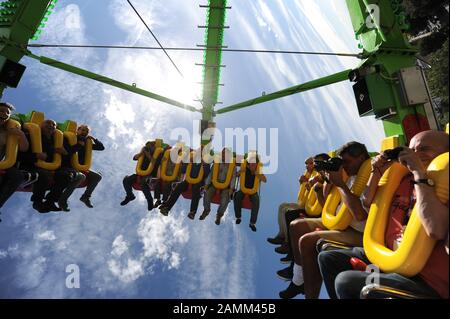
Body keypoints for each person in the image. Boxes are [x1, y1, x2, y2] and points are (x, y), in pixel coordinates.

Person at [318, 130, 449, 299]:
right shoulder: (402, 178)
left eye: (423, 149)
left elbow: (436, 229)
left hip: (421, 277)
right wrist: (377, 172)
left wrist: (419, 173)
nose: (414, 154)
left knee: (346, 281)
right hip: (386, 255)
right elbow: (367, 202)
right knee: (328, 259)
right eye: (411, 149)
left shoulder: (439, 181)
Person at [278, 141, 370, 299]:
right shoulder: (349, 177)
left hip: (358, 231)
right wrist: (329, 180)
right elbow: (327, 205)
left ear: (361, 157)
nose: (345, 166)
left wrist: (340, 184)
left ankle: (308, 293)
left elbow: (360, 215)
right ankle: (298, 280)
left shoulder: (369, 176)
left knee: (307, 240)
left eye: (347, 161)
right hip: (339, 222)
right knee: (296, 226)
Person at [18, 119, 67, 213]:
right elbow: (18, 155)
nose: (51, 125)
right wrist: (35, 156)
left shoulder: (55, 143)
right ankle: (37, 202)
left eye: (54, 124)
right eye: (48, 123)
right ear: (40, 125)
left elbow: (62, 160)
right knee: (44, 175)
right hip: (29, 166)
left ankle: (50, 201)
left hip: (49, 168)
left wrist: (65, 153)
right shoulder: (30, 136)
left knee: (65, 175)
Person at [267, 156, 315, 245]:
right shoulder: (307, 175)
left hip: (309, 205)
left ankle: (285, 239)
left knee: (284, 209)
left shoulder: (316, 174)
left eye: (310, 163)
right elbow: (303, 194)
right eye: (306, 164)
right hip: (302, 203)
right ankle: (282, 234)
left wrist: (307, 181)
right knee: (282, 207)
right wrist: (301, 183)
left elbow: (313, 190)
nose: (307, 166)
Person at [159, 147, 211, 218]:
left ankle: (192, 212)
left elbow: (207, 174)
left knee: (196, 188)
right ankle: (167, 208)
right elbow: (183, 171)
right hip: (188, 181)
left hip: (199, 182)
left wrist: (204, 164)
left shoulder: (206, 162)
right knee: (179, 186)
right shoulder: (192, 158)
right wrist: (187, 162)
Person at [0, 102, 29, 211]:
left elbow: (23, 148)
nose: (4, 114)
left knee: (17, 175)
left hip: (1, 164)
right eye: (2, 111)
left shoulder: (8, 132)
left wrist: (20, 134)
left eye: (7, 112)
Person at [121, 141, 162, 211]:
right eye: (147, 146)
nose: (148, 147)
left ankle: (149, 200)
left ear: (153, 147)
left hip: (150, 175)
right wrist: (142, 153)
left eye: (150, 146)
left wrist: (149, 155)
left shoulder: (157, 154)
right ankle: (130, 196)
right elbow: (134, 158)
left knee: (143, 182)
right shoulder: (143, 154)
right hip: (140, 174)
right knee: (126, 180)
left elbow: (155, 164)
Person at [200, 148, 236, 225]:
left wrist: (231, 189)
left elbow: (233, 178)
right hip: (214, 184)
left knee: (225, 199)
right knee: (207, 194)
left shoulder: (233, 166)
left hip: (225, 187)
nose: (223, 155)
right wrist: (206, 185)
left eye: (225, 154)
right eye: (222, 153)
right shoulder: (217, 163)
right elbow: (211, 175)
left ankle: (219, 215)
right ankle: (206, 211)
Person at [233, 153, 267, 232]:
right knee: (237, 196)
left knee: (256, 200)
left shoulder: (258, 170)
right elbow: (236, 175)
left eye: (255, 163)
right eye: (252, 162)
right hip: (243, 190)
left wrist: (258, 174)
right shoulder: (245, 168)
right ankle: (238, 217)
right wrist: (240, 171)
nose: (253, 164)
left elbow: (265, 180)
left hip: (253, 192)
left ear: (256, 164)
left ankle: (252, 223)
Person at [76, 125, 105, 208]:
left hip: (82, 167)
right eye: (83, 130)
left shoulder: (87, 143)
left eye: (86, 131)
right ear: (78, 130)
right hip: (71, 165)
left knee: (97, 176)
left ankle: (85, 197)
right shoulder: (72, 137)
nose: (84, 132)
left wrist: (94, 139)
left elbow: (101, 147)